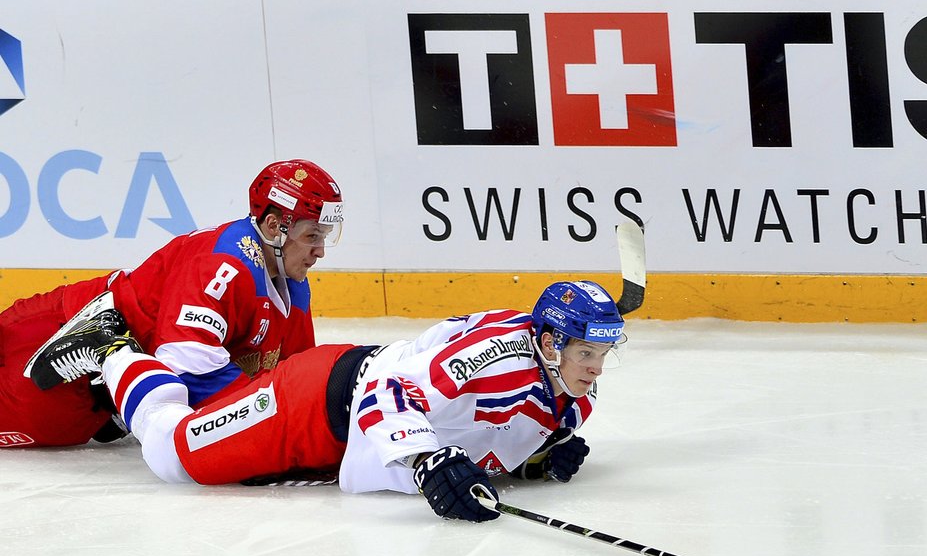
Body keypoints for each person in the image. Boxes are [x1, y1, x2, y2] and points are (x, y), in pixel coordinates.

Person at [30, 280, 627, 521]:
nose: (596, 370)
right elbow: (392, 395)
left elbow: (481, 424)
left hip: (340, 425)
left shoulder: (566, 389)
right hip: (315, 402)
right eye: (586, 355)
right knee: (175, 454)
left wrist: (531, 460)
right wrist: (427, 460)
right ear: (549, 343)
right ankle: (111, 347)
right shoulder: (497, 357)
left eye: (603, 354)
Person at [0, 159, 345, 448]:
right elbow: (189, 367)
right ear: (274, 226)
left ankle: (116, 368)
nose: (320, 251)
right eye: (312, 236)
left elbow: (289, 377)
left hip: (90, 401)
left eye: (324, 236)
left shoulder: (290, 282)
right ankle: (109, 351)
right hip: (53, 343)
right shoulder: (223, 266)